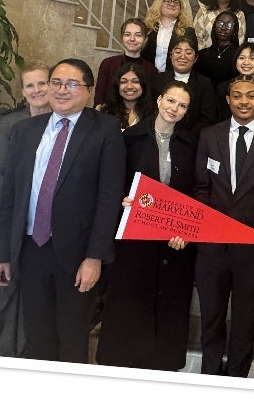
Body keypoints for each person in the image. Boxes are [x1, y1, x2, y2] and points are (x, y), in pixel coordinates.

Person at [0, 59, 125, 363]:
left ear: (88, 91)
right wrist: (1, 253)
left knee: (72, 338)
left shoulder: (105, 130)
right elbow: (9, 195)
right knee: (38, 336)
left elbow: (108, 197)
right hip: (30, 249)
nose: (63, 90)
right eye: (57, 82)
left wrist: (94, 258)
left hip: (77, 255)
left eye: (72, 84)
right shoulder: (25, 130)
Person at [97, 79, 199, 370]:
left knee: (168, 301)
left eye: (182, 105)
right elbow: (112, 181)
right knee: (130, 298)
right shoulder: (129, 138)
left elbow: (193, 193)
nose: (174, 109)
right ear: (158, 101)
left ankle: (161, 366)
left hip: (172, 240)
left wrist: (186, 229)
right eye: (170, 101)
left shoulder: (190, 144)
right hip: (134, 237)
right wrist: (122, 199)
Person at [192, 76, 254, 376]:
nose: (244, 101)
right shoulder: (209, 136)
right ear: (228, 100)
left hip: (252, 249)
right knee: (211, 317)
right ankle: (209, 376)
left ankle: (237, 381)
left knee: (245, 322)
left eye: (250, 95)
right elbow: (201, 187)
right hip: (212, 248)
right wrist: (201, 229)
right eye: (237, 95)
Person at [0, 65, 51, 358]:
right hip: (7, 216)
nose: (37, 90)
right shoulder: (10, 125)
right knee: (3, 286)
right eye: (30, 86)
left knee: (33, 288)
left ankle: (25, 349)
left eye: (42, 83)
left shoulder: (62, 124)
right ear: (23, 92)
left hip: (45, 221)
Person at [93, 18, 154, 108]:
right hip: (109, 116)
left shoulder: (151, 69)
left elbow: (149, 102)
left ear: (145, 39)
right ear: (122, 38)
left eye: (138, 35)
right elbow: (99, 99)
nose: (132, 39)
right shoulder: (107, 64)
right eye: (127, 34)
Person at [163, 36, 216, 136]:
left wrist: (187, 138)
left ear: (195, 58)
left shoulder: (204, 83)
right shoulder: (157, 79)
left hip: (191, 140)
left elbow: (207, 118)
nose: (182, 56)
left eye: (188, 53)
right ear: (171, 56)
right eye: (178, 52)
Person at [142, 0, 197, 78]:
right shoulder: (147, 29)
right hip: (147, 77)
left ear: (180, 7)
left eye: (176, 2)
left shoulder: (188, 32)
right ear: (160, 4)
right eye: (168, 1)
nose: (172, 4)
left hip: (174, 80)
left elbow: (191, 60)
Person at [100, 63, 156, 131]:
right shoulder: (104, 111)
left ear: (144, 85)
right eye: (123, 82)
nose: (129, 86)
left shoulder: (154, 114)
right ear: (117, 85)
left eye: (135, 81)